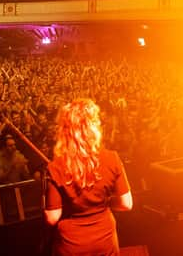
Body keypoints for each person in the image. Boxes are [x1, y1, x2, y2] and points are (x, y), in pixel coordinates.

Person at [44, 98, 133, 256]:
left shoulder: (55, 167)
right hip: (104, 241)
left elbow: (52, 217)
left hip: (71, 245)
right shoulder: (112, 158)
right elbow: (126, 204)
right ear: (94, 127)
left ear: (65, 130)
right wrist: (104, 202)